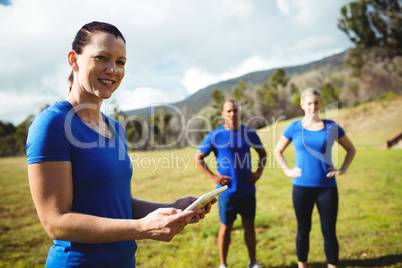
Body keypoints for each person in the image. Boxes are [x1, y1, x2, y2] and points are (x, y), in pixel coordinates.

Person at [25, 21, 214, 267]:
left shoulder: (116, 129)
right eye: (102, 58)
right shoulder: (52, 125)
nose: (112, 69)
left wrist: (172, 208)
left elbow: (120, 203)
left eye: (121, 62)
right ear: (73, 59)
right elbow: (56, 223)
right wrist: (141, 228)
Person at [274, 88, 356, 268]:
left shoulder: (332, 127)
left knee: (329, 231)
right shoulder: (294, 128)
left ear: (321, 103)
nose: (313, 107)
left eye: (316, 103)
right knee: (303, 230)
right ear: (302, 105)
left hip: (327, 188)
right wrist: (287, 170)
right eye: (309, 103)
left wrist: (342, 169)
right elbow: (277, 151)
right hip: (301, 188)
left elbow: (351, 149)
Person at [195, 100, 267, 268]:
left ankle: (253, 262)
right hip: (226, 193)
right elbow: (198, 158)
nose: (232, 114)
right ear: (223, 114)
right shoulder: (215, 136)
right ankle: (223, 264)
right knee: (225, 228)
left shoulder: (249, 133)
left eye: (235, 110)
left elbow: (263, 154)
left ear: (239, 112)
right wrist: (214, 177)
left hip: (247, 191)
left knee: (249, 226)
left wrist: (258, 172)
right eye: (229, 111)